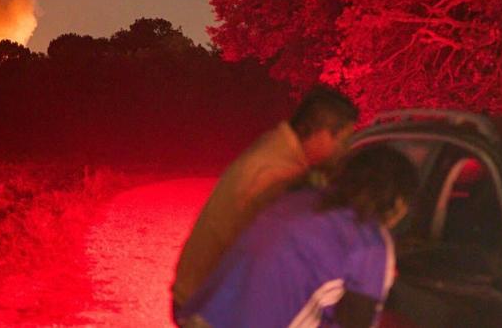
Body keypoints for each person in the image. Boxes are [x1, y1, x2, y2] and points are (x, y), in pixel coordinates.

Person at [178, 145, 419, 328]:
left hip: (203, 316)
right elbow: (357, 322)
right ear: (398, 201)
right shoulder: (370, 242)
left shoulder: (300, 199)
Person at [172, 85, 359, 321]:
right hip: (207, 305)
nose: (345, 151)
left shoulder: (277, 149)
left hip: (199, 294)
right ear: (321, 133)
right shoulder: (277, 175)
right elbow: (277, 256)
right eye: (343, 141)